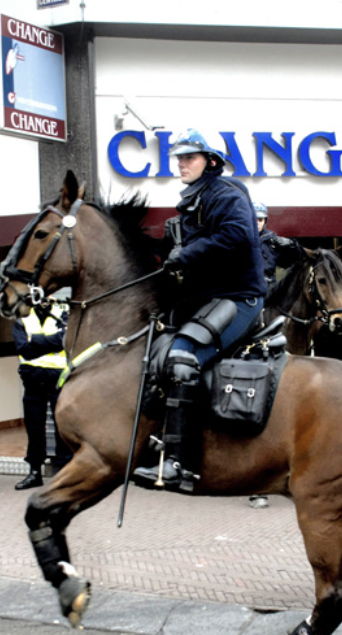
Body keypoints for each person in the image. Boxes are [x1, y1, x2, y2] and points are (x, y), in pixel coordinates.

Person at [131, 128, 266, 493]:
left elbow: (238, 234)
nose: (181, 163)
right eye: (179, 157)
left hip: (239, 298)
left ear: (211, 161)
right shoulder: (196, 199)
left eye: (189, 157)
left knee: (182, 357)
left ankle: (178, 461)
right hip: (206, 300)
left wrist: (186, 255)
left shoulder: (224, 193)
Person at [12, 296, 72, 490]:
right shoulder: (23, 320)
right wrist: (50, 343)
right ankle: (35, 472)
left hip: (58, 380)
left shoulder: (63, 316)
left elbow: (65, 341)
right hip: (33, 381)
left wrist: (35, 341)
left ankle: (63, 473)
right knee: (34, 428)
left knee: (62, 427)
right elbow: (24, 350)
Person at [254, 201, 300, 297]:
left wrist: (292, 245)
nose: (257, 222)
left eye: (260, 219)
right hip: (247, 288)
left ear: (265, 221)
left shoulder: (272, 241)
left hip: (269, 290)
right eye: (254, 219)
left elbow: (291, 263)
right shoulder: (241, 238)